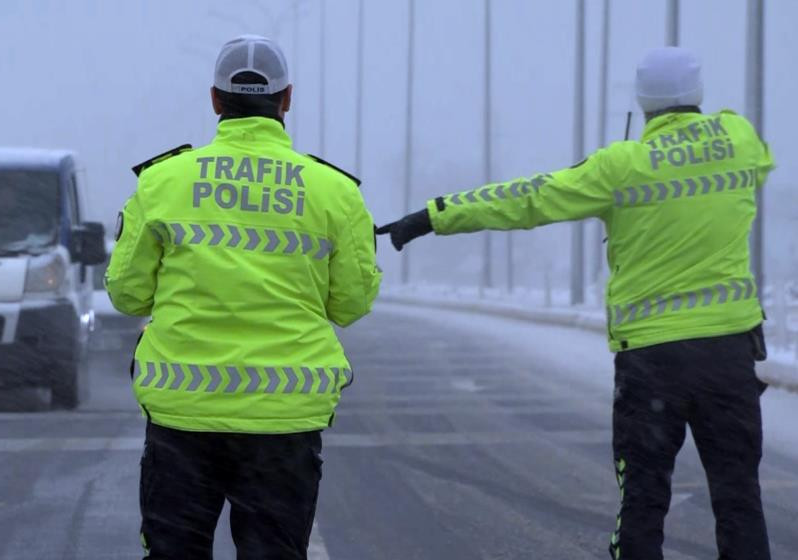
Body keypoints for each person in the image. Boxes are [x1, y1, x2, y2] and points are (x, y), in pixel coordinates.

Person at [377, 47, 775, 560]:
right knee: (739, 497)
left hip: (654, 364)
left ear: (643, 101)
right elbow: (754, 160)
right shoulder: (739, 141)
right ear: (697, 95)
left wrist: (432, 216)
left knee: (644, 500)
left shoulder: (621, 166)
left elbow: (529, 198)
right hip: (728, 356)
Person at [106, 35, 380, 559]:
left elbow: (127, 294)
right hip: (284, 419)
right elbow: (351, 304)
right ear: (287, 98)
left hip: (183, 416)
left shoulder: (162, 182)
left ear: (215, 100)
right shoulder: (334, 192)